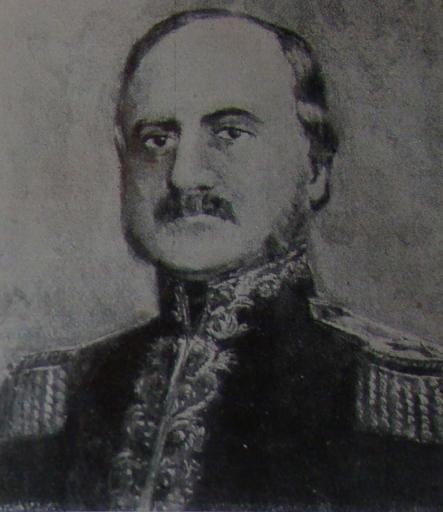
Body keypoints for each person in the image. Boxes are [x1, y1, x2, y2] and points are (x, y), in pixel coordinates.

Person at [0, 9, 442, 512]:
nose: (185, 177)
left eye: (229, 133)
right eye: (157, 140)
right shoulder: (54, 400)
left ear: (315, 166)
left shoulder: (399, 399)